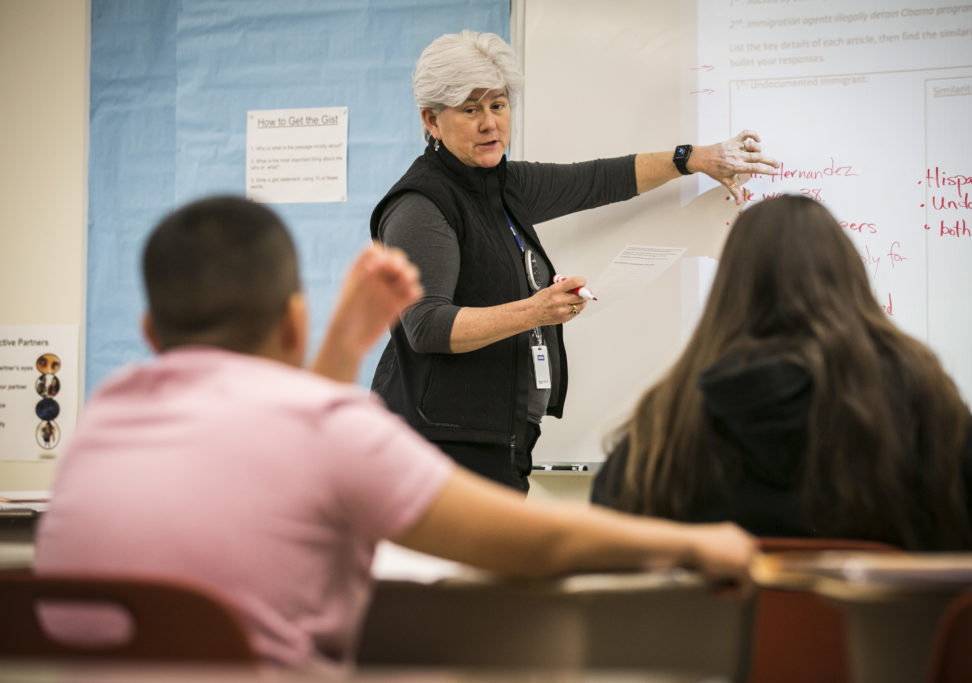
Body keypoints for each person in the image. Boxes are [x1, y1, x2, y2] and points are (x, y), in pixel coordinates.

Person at [33, 195, 756, 670]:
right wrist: (695, 540)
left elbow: (280, 445)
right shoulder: (325, 427)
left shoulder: (106, 418)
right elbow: (538, 540)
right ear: (293, 320)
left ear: (151, 330)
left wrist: (346, 346)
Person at [369, 30, 781, 492]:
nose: (490, 123)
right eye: (470, 109)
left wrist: (693, 158)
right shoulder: (420, 205)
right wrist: (536, 311)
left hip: (495, 441)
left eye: (499, 105)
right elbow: (426, 326)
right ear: (431, 120)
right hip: (436, 448)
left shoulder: (504, 185)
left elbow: (599, 180)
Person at [590, 194, 972, 551]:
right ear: (849, 278)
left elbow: (607, 537)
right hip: (888, 653)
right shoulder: (915, 392)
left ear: (730, 290)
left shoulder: (672, 416)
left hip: (726, 657)